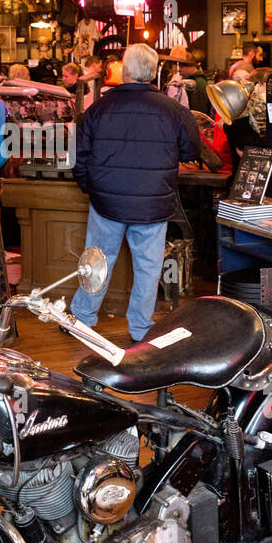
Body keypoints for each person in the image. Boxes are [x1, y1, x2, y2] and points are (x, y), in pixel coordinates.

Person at [70, 42, 197, 343]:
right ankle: (140, 327)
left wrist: (91, 187)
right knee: (148, 268)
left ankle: (83, 319)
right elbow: (191, 149)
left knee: (97, 261)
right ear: (153, 73)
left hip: (107, 201)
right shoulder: (173, 110)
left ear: (124, 71)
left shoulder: (99, 107)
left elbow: (78, 155)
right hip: (153, 203)